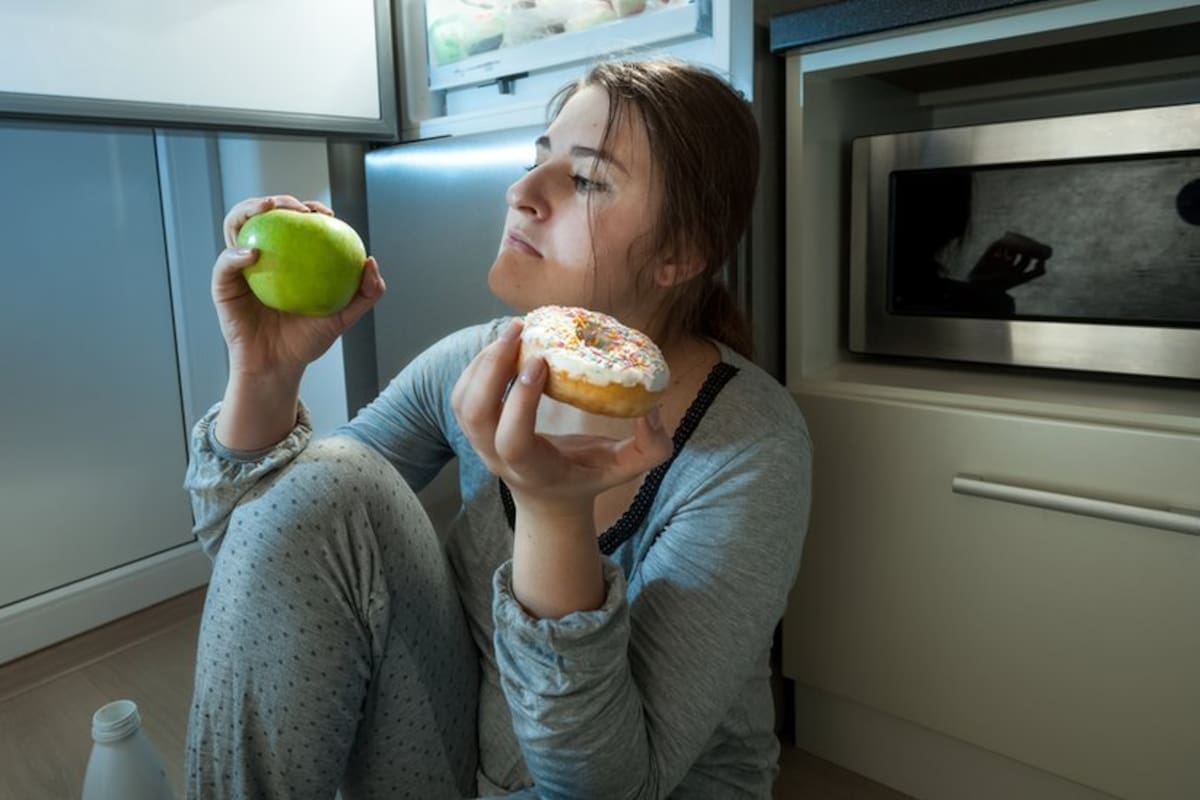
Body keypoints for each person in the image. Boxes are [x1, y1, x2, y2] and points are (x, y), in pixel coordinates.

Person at [183, 56, 812, 799]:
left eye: (585, 180)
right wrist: (264, 372)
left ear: (680, 253)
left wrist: (553, 512)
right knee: (329, 480)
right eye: (536, 160)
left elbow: (607, 787)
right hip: (462, 748)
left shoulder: (750, 449)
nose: (520, 192)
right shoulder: (478, 360)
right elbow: (263, 549)